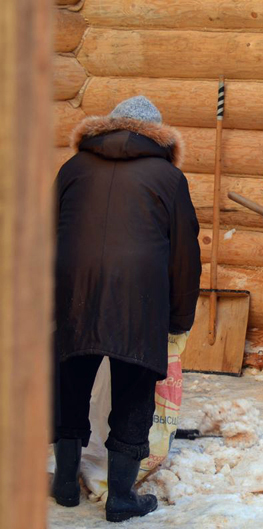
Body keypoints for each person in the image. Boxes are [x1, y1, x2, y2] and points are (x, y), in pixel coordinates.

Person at [52, 96, 201, 521]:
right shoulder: (169, 178)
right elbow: (184, 255)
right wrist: (179, 318)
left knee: (70, 381)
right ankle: (120, 497)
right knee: (134, 392)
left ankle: (64, 483)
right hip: (139, 299)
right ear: (157, 136)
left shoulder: (72, 169)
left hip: (72, 292)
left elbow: (46, 234)